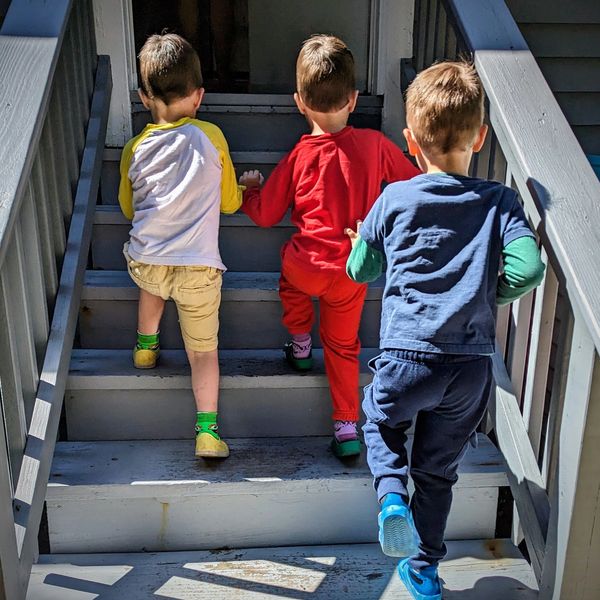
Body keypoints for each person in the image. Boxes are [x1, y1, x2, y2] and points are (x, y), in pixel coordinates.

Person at [345, 61, 545, 600]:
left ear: (411, 142)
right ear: (480, 137)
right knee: (436, 473)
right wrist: (484, 296)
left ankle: (389, 497)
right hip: (469, 371)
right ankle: (426, 571)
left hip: (406, 356)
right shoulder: (499, 202)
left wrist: (362, 243)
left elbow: (360, 270)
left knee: (381, 423)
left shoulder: (393, 199)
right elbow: (528, 269)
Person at [239, 34, 419, 458]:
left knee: (290, 277)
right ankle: (345, 428)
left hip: (306, 266)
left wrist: (249, 192)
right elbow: (413, 185)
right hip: (351, 270)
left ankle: (300, 344)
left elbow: (266, 215)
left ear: (299, 101)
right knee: (343, 348)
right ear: (354, 100)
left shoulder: (299, 155)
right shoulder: (375, 146)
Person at [118, 33, 242, 459]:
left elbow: (127, 207)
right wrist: (242, 188)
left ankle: (145, 346)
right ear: (199, 96)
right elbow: (228, 202)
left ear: (142, 96)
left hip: (148, 259)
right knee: (203, 352)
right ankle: (207, 431)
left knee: (150, 281)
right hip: (200, 268)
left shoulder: (135, 147)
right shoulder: (212, 137)